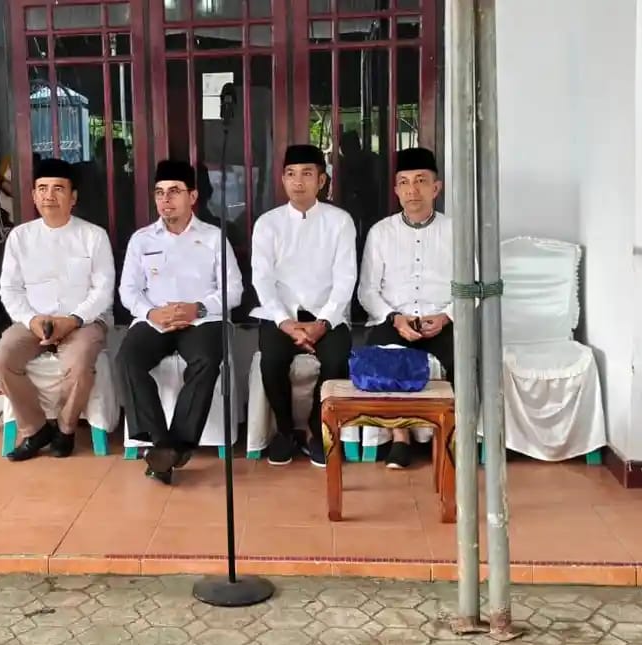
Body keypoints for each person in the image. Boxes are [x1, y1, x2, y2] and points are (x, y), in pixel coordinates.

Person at [118, 160, 244, 485]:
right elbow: (128, 291)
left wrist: (197, 309)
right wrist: (151, 313)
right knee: (128, 358)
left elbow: (234, 290)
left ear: (193, 196)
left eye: (174, 191)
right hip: (155, 319)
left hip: (201, 321)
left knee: (206, 361)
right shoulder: (142, 240)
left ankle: (178, 443)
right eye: (159, 192)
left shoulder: (214, 237)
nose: (165, 200)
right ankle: (162, 443)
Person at [0, 158, 115, 461]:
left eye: (58, 189)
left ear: (73, 197)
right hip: (34, 321)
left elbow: (103, 290)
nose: (49, 195)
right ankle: (35, 430)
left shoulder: (93, 236)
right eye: (42, 189)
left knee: (80, 362)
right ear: (33, 196)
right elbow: (10, 289)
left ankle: (65, 428)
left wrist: (73, 320)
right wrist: (31, 320)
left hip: (84, 321)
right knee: (1, 361)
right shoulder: (20, 237)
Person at [251, 144, 358, 467]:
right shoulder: (267, 223)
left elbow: (345, 279)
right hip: (281, 314)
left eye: (307, 174)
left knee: (337, 359)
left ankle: (315, 430)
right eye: (291, 174)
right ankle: (286, 431)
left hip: (327, 314)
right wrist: (285, 322)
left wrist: (323, 323)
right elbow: (262, 280)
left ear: (321, 181)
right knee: (271, 360)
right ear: (283, 179)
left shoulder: (340, 221)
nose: (298, 182)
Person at [358, 147, 454, 469]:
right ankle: (400, 438)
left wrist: (446, 316)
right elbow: (367, 291)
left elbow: (473, 287)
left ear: (436, 188)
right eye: (404, 182)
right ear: (396, 190)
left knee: (463, 358)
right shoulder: (380, 233)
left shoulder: (457, 232)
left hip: (442, 320)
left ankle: (447, 437)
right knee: (383, 355)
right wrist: (395, 318)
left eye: (421, 181)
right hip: (394, 320)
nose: (412, 190)